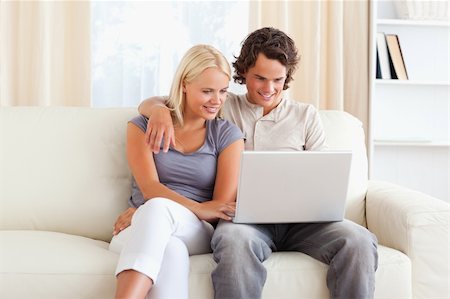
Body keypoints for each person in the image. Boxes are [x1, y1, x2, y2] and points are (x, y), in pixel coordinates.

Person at [116, 27, 379, 299]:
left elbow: (324, 180)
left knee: (359, 240)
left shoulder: (306, 116)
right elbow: (177, 100)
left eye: (278, 79)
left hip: (305, 223)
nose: (269, 88)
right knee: (234, 242)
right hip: (245, 222)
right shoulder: (224, 106)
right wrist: (158, 109)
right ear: (243, 74)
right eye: (260, 78)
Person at [109, 44, 244, 299]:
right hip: (137, 225)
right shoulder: (142, 125)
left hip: (194, 228)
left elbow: (221, 206)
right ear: (184, 84)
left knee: (158, 209)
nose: (217, 101)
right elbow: (150, 188)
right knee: (170, 250)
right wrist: (197, 206)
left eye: (223, 92)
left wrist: (197, 211)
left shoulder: (227, 135)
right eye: (207, 91)